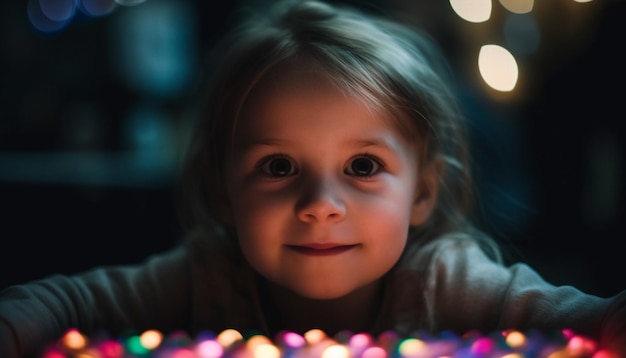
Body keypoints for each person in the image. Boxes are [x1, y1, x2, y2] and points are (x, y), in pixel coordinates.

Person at [1, 0, 625, 356]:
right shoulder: (209, 275)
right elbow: (60, 301)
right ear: (223, 191)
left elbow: (588, 316)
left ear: (424, 191)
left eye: (363, 167)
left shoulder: (442, 280)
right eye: (278, 167)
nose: (320, 205)